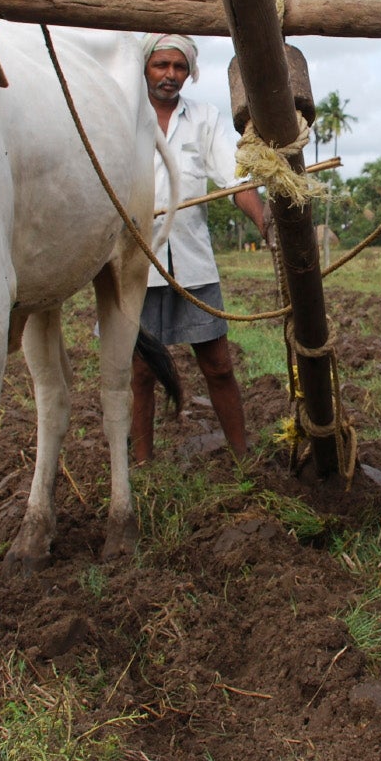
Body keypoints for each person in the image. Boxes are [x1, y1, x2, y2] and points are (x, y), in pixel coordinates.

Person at [132, 33, 268, 464]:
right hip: (135, 263)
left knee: (219, 365)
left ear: (189, 72)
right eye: (161, 65)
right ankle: (141, 465)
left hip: (192, 263)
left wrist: (266, 224)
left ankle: (243, 456)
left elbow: (235, 179)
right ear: (145, 68)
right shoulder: (122, 115)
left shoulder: (204, 117)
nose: (170, 75)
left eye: (178, 67)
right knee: (139, 374)